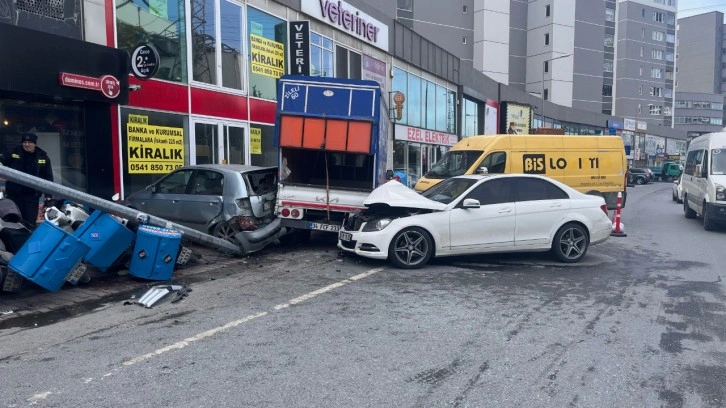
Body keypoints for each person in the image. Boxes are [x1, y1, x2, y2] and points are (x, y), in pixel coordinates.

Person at [3, 133, 54, 228]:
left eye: (30, 142)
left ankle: (27, 241)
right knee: (12, 224)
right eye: (25, 142)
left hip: (31, 197)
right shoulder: (14, 152)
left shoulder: (42, 157)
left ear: (35, 144)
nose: (26, 144)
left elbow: (48, 178)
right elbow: (3, 163)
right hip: (13, 196)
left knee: (29, 224)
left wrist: (48, 197)